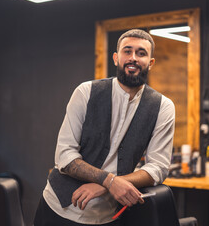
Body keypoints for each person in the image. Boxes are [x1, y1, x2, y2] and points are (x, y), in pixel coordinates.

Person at [34, 29, 175, 226]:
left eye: (141, 53)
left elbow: (158, 167)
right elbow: (65, 156)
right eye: (127, 51)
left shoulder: (163, 107)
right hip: (59, 209)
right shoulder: (86, 92)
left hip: (108, 216)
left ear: (151, 63)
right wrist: (109, 181)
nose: (133, 58)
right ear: (116, 58)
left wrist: (106, 186)